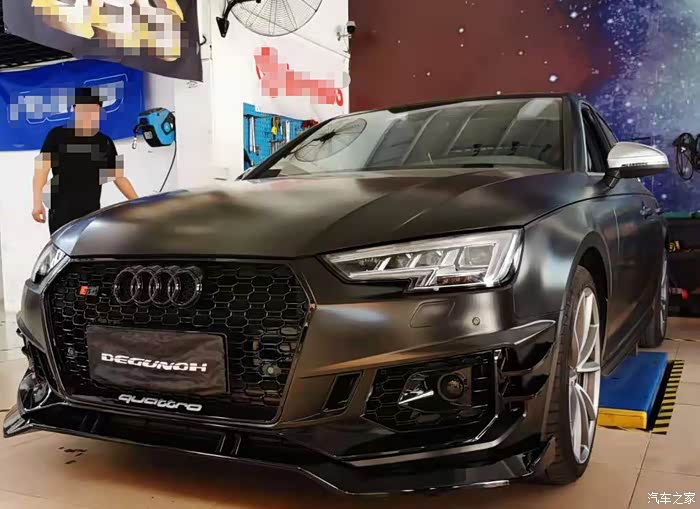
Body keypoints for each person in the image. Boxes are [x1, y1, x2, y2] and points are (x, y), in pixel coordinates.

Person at [32, 87, 138, 234]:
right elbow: (41, 171)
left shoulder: (105, 142)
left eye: (92, 109)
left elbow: (119, 177)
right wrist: (37, 203)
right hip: (61, 212)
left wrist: (138, 203)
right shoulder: (56, 135)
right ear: (74, 109)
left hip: (92, 214)